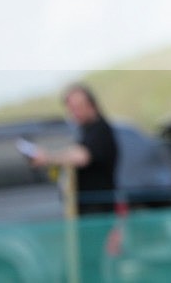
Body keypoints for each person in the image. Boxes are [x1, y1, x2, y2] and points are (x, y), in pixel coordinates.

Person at [31, 83, 119, 214]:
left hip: (99, 209)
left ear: (90, 105)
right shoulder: (86, 131)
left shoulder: (100, 129)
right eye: (70, 108)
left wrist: (49, 158)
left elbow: (82, 156)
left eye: (77, 107)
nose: (73, 113)